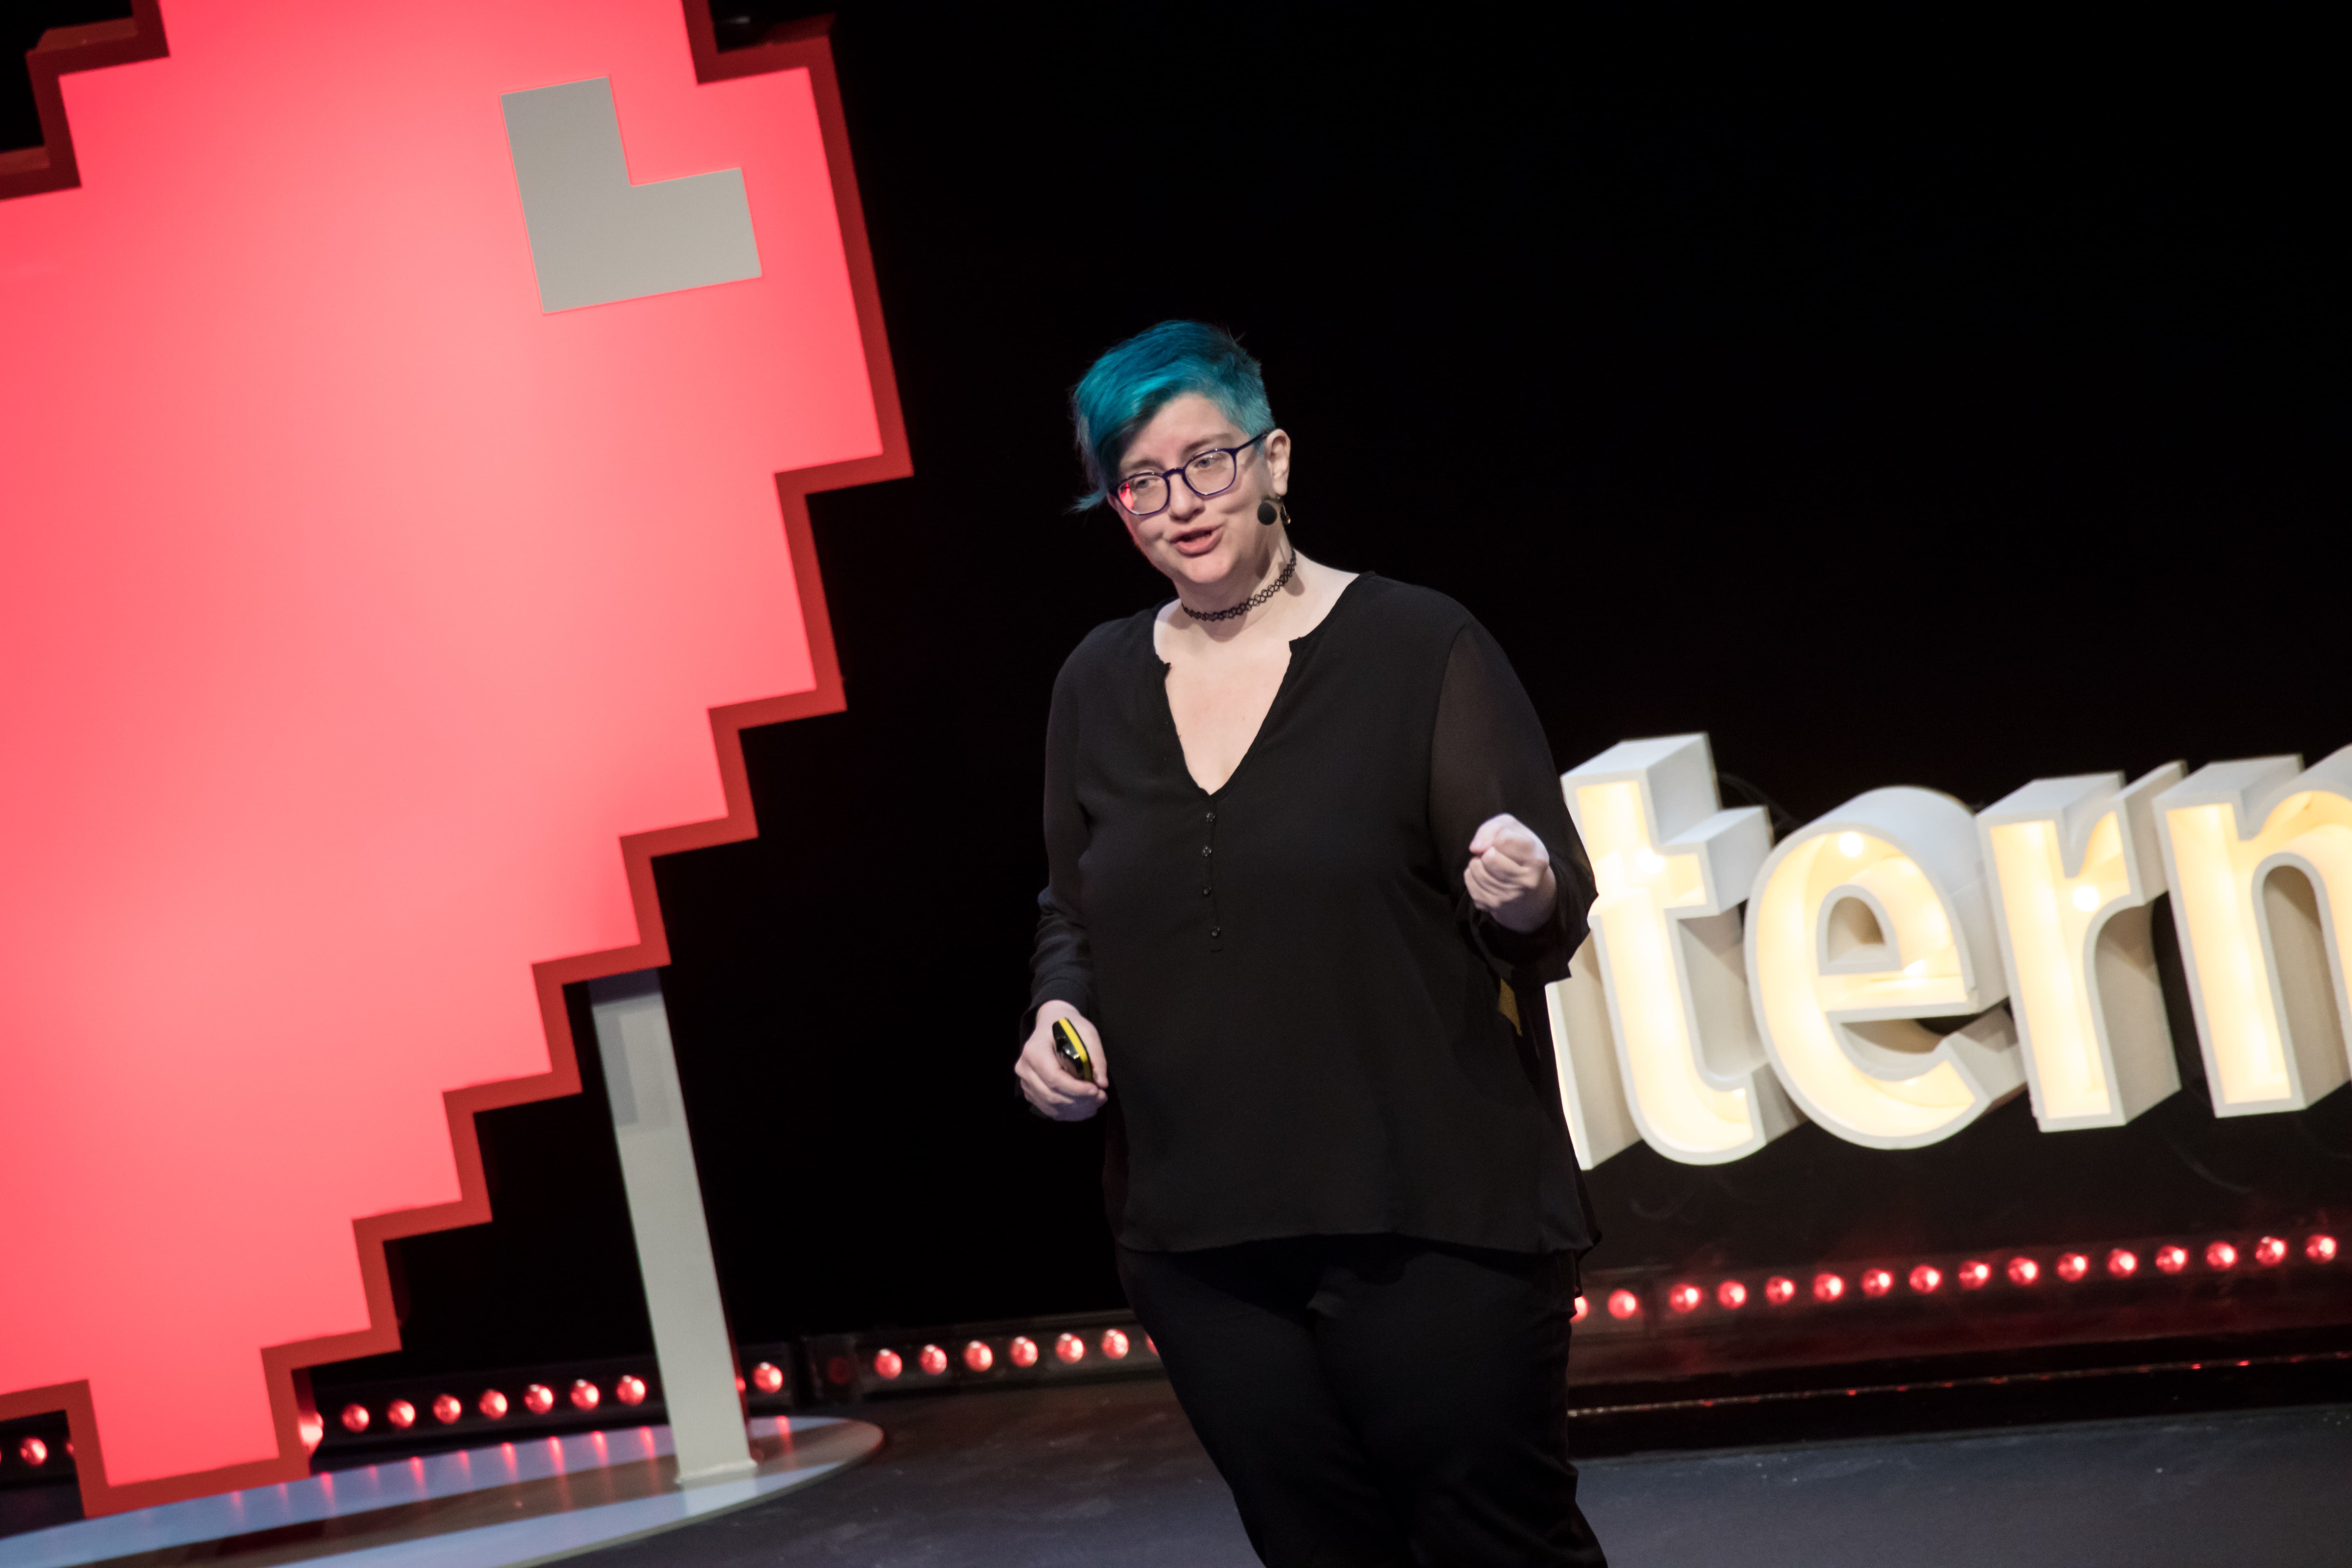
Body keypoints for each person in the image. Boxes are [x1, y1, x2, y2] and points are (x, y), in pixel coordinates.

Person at [1017, 320, 1607, 1566]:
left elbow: (1547, 902)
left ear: (1274, 459)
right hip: (1201, 1238)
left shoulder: (1418, 646)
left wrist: (1520, 892)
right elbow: (1075, 907)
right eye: (1140, 481)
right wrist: (1056, 1014)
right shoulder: (1096, 682)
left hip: (1428, 1214)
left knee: (1496, 1545)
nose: (1180, 504)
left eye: (1207, 462)